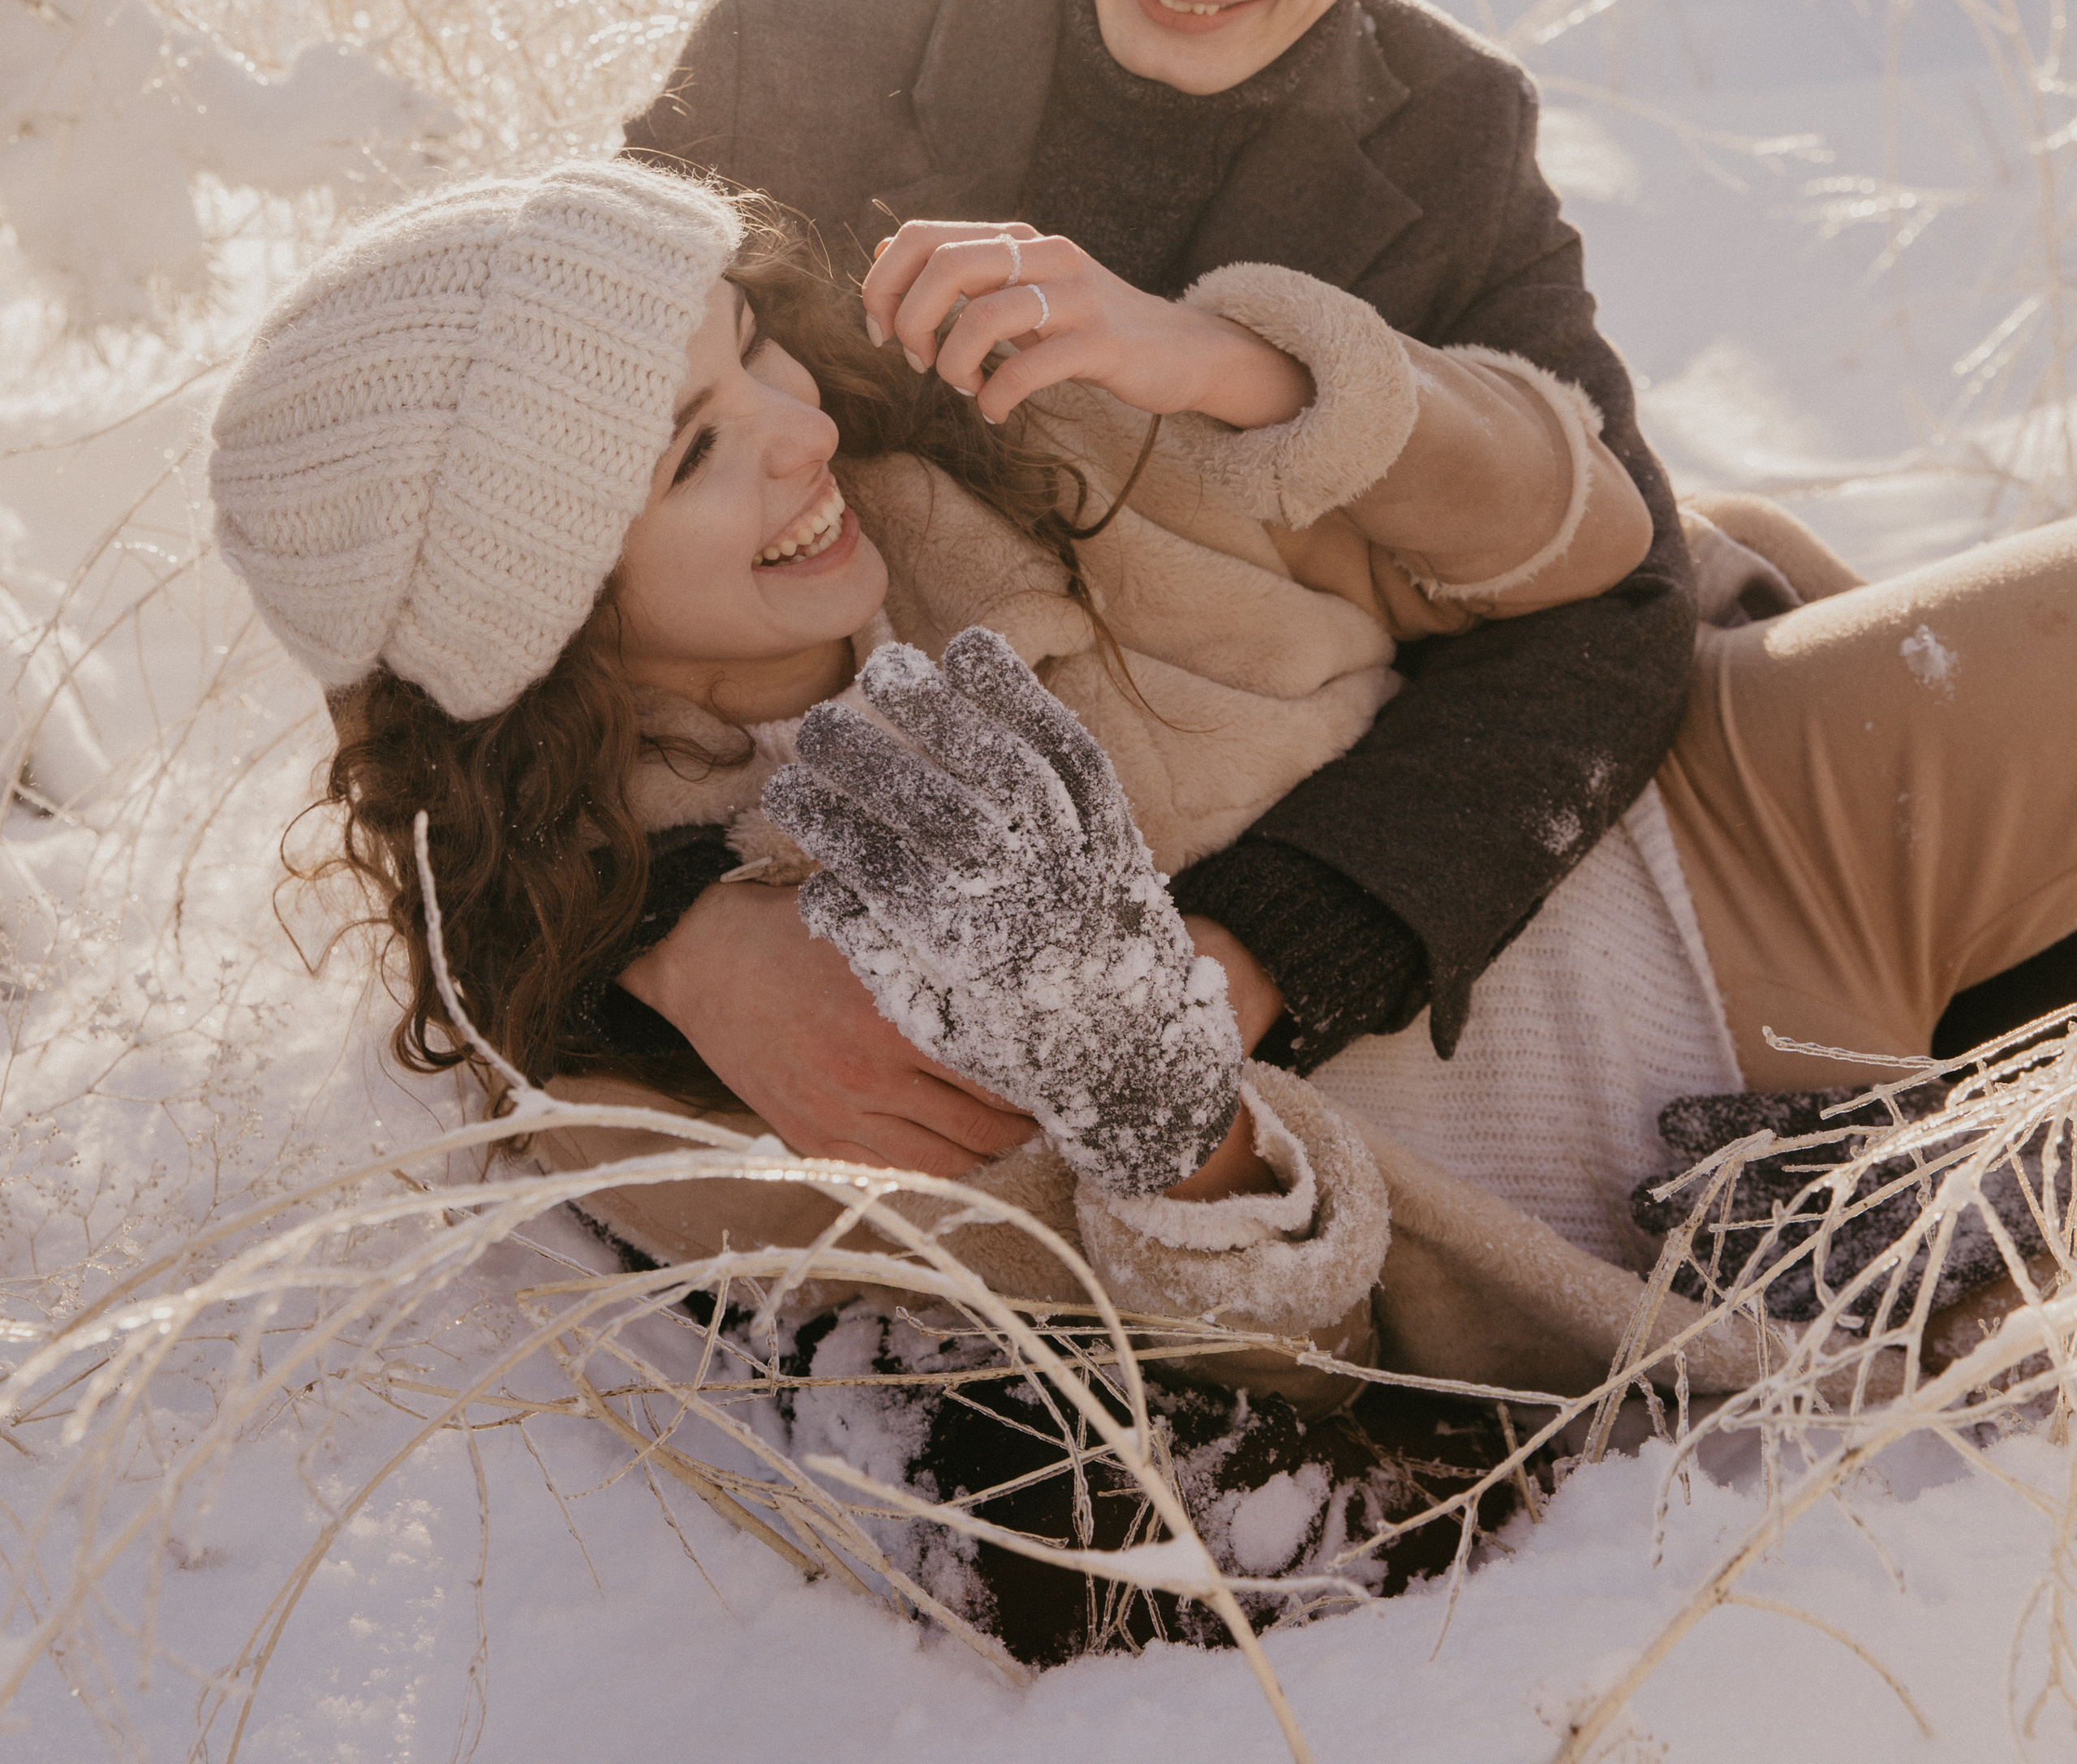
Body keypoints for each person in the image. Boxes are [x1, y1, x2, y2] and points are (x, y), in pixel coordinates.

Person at [213, 158, 2077, 1400]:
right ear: (541, 615)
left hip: (1718, 826)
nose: (797, 428)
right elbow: (1237, 1394)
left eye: (755, 344)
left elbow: (1593, 538)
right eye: (695, 449)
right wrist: (1157, 1115)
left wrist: (1254, 369)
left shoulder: (992, 454)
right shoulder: (664, 1057)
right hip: (1617, 1197)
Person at [621, 0, 1699, 1164]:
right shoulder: (782, 81)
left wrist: (1258, 951)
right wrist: (670, 935)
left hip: (1279, 971)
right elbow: (464, 549)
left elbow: (1617, 617)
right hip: (860, 958)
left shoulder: (1453, 142)